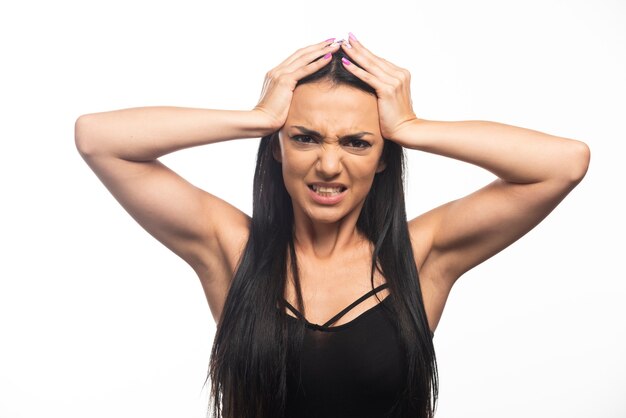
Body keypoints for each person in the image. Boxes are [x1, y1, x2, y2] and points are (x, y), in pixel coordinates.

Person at [75, 34, 590, 418]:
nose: (328, 165)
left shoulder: (421, 254)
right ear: (277, 149)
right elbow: (99, 139)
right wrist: (257, 118)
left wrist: (412, 128)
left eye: (356, 142)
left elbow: (563, 163)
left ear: (384, 157)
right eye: (304, 138)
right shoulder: (230, 248)